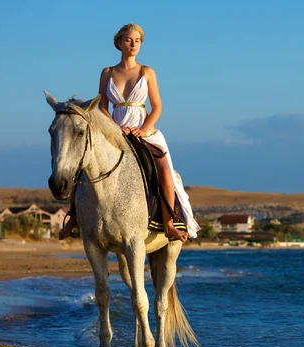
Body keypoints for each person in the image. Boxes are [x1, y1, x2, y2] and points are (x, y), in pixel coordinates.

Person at [59, 23, 200, 242]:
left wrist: (142, 130)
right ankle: (74, 219)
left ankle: (169, 223)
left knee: (164, 169)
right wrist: (115, 128)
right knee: (82, 166)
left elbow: (157, 107)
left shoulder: (147, 72)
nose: (133, 44)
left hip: (144, 130)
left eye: (137, 41)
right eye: (129, 40)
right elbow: (102, 106)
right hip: (114, 130)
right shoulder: (107, 72)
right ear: (118, 43)